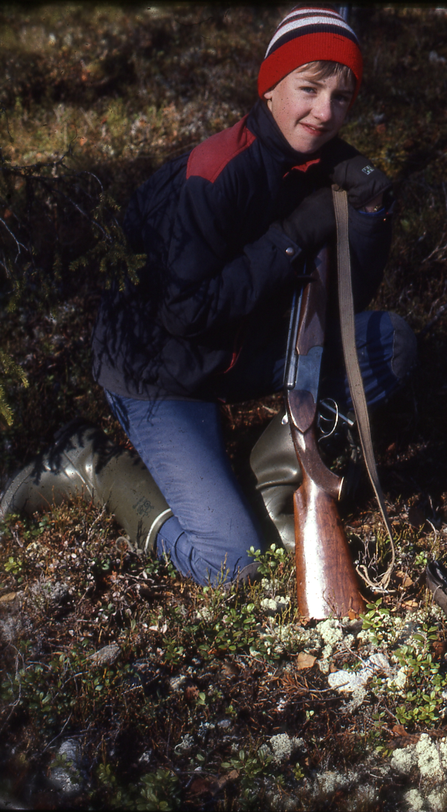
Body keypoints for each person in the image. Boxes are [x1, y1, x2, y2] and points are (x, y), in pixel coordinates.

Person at [0, 6, 417, 587]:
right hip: (160, 371)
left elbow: (347, 311)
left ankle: (268, 481)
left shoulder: (323, 165)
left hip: (237, 353)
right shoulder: (216, 173)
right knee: (231, 562)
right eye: (308, 88)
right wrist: (293, 237)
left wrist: (370, 213)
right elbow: (185, 312)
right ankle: (95, 465)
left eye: (341, 97)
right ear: (270, 86)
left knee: (388, 344)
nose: (324, 112)